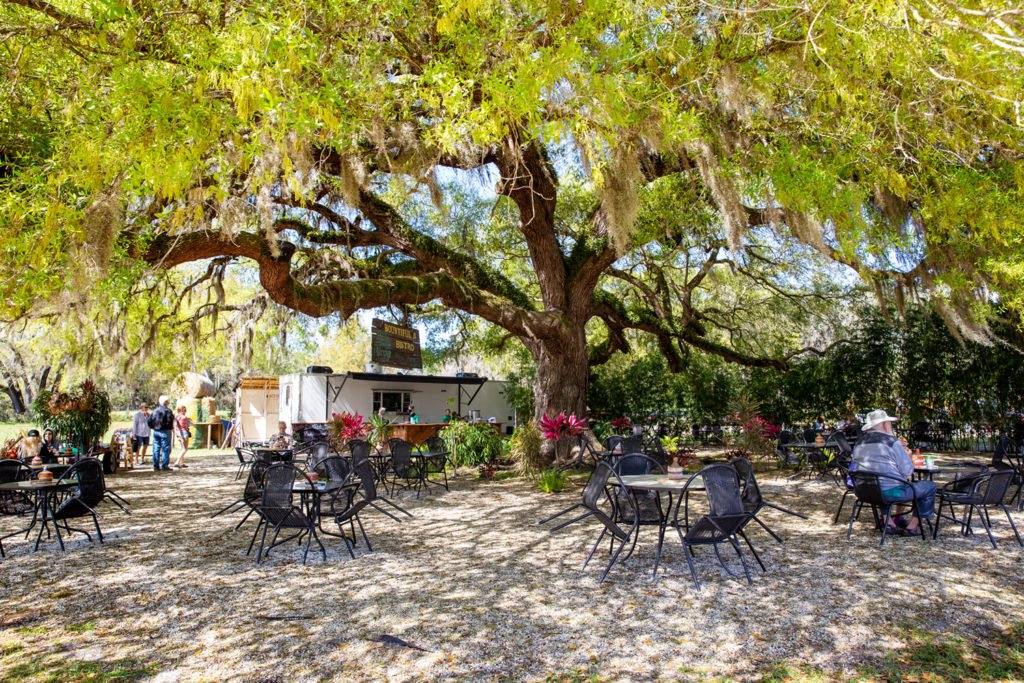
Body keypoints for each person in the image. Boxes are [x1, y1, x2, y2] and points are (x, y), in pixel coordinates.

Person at [851, 408, 936, 536]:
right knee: (929, 486)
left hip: (864, 491)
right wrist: (907, 456)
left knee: (883, 483)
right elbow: (907, 470)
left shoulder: (859, 443)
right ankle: (913, 526)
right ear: (884, 425)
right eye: (889, 423)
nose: (891, 425)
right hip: (888, 493)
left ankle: (888, 522)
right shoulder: (892, 442)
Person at [148, 396, 175, 471]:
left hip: (156, 431)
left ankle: (156, 466)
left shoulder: (155, 411)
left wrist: (153, 427)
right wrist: (170, 427)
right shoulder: (168, 411)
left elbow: (149, 421)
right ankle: (164, 465)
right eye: (168, 401)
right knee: (165, 448)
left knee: (156, 448)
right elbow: (170, 420)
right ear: (166, 402)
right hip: (165, 431)